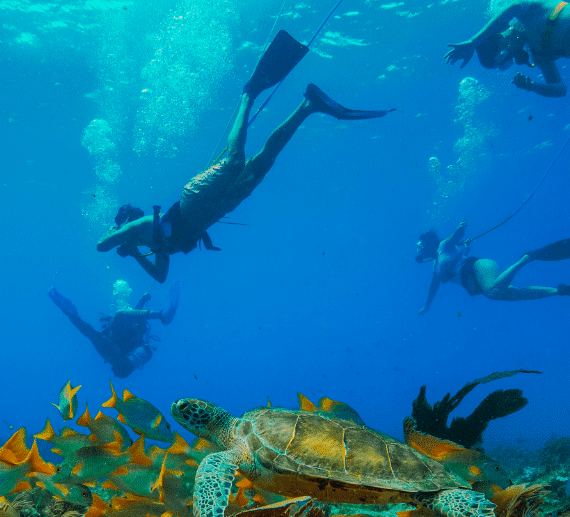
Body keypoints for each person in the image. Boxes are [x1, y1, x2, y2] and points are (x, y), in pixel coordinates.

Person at [97, 30, 394, 283]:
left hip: (194, 202)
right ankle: (309, 105)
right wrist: (135, 253)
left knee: (235, 161)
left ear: (127, 223)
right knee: (263, 164)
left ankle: (248, 94)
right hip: (213, 212)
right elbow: (161, 277)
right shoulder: (153, 246)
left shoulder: (143, 226)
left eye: (124, 225)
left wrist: (118, 235)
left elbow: (101, 246)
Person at [416, 220, 570, 314]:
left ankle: (526, 258)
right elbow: (432, 288)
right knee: (514, 294)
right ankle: (559, 291)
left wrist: (460, 227)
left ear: (428, 243)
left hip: (478, 267)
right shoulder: (435, 268)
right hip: (474, 283)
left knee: (492, 292)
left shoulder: (443, 246)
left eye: (420, 245)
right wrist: (426, 306)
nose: (419, 250)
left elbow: (455, 237)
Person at [48, 282, 181, 377]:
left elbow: (130, 315)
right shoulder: (124, 327)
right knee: (113, 318)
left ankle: (163, 315)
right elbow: (131, 315)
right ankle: (162, 315)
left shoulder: (120, 325)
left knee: (111, 319)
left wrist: (141, 301)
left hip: (116, 353)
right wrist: (141, 301)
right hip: (117, 355)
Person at [445, 0, 570, 97]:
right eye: (505, 65)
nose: (511, 60)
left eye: (501, 58)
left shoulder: (528, 13)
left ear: (499, 37)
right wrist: (531, 86)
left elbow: (514, 7)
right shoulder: (539, 54)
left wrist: (474, 41)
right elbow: (560, 88)